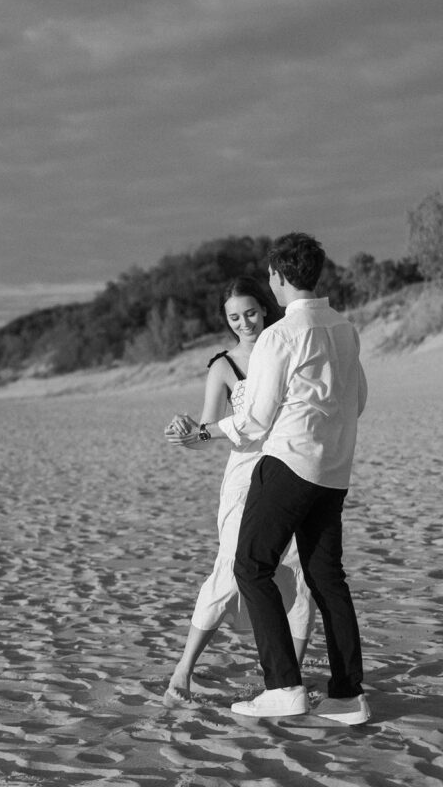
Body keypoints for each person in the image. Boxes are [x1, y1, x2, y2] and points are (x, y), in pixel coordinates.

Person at [176, 232, 370, 724]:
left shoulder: (280, 336)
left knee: (250, 567)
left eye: (271, 278)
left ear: (278, 278)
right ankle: (347, 695)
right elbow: (358, 400)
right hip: (334, 469)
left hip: (288, 465)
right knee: (327, 579)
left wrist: (205, 430)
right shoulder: (345, 329)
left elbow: (254, 422)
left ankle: (283, 685)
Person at [163, 275, 315, 706]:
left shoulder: (286, 344)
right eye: (234, 317)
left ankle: (289, 681)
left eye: (250, 312)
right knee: (230, 569)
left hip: (292, 469)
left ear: (265, 308)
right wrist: (184, 431)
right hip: (245, 478)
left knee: (298, 574)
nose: (244, 322)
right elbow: (205, 430)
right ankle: (183, 671)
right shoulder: (223, 367)